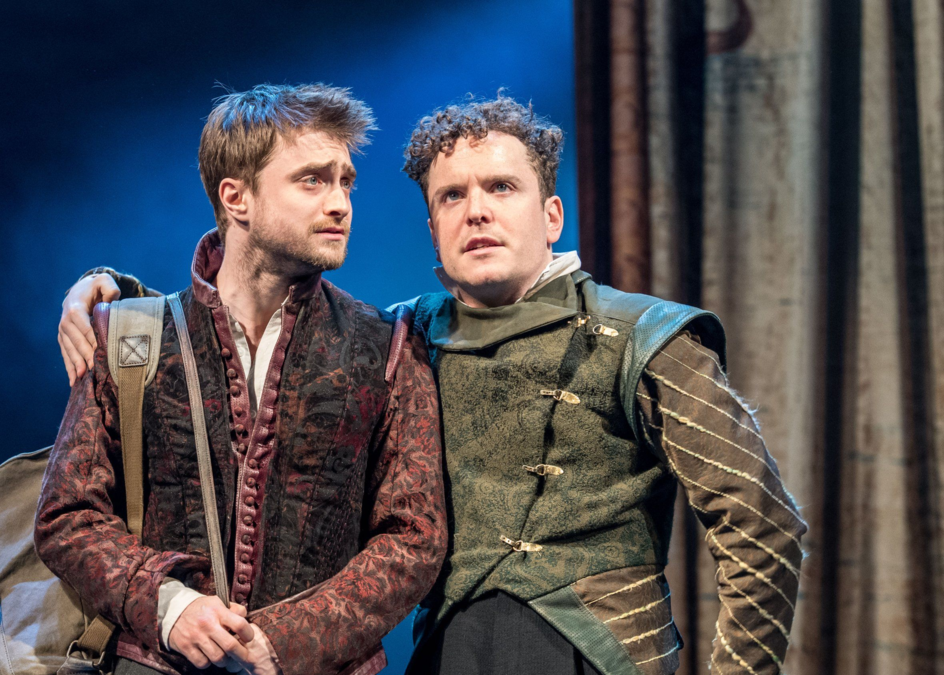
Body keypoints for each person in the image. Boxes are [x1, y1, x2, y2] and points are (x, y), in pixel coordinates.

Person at [58, 95, 806, 675]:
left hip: (598, 652)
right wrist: (114, 298)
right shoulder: (407, 333)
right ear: (433, 231)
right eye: (452, 196)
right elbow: (239, 329)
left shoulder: (646, 338)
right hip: (452, 655)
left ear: (552, 215)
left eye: (501, 187)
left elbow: (763, 525)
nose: (476, 209)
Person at [36, 83, 447, 675]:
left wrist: (285, 640)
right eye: (312, 180)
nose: (340, 203)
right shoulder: (128, 336)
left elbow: (414, 536)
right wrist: (170, 606)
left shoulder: (387, 346)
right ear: (236, 197)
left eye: (345, 182)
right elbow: (68, 514)